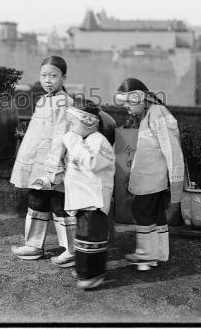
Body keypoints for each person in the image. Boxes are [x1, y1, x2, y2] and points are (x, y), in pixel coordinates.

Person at [10, 56, 76, 266]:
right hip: (37, 163)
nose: (48, 80)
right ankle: (34, 245)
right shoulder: (42, 100)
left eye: (54, 76)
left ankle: (70, 249)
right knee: (36, 201)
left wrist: (54, 165)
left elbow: (61, 136)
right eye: (44, 75)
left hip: (55, 164)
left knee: (60, 205)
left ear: (63, 77)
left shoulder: (65, 101)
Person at [114, 78, 185, 271]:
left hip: (153, 179)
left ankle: (145, 256)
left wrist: (176, 182)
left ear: (142, 99)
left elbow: (172, 150)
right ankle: (159, 254)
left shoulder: (157, 114)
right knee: (155, 214)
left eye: (130, 102)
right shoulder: (150, 115)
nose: (127, 107)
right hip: (152, 178)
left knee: (142, 211)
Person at [62, 99, 115, 289]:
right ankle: (84, 268)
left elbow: (92, 163)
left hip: (94, 200)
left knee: (92, 236)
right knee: (83, 235)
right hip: (83, 200)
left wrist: (73, 142)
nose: (70, 127)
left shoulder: (99, 141)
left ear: (88, 123)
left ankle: (93, 274)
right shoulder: (85, 140)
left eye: (73, 123)